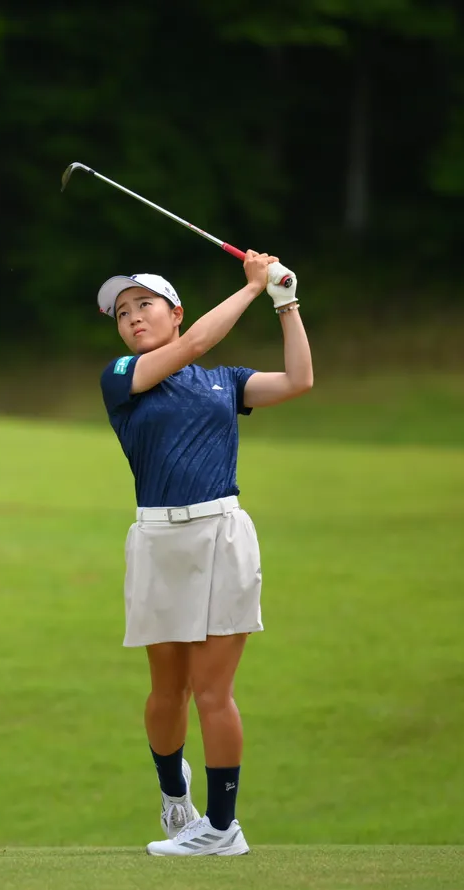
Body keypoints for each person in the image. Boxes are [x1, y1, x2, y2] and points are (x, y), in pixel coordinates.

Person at [96, 250, 313, 856]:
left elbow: (299, 380)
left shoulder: (227, 382)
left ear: (175, 311)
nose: (132, 318)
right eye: (122, 313)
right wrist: (251, 289)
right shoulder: (121, 375)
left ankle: (222, 828)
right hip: (157, 539)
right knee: (169, 691)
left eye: (144, 305)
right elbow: (193, 345)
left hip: (221, 533)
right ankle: (174, 794)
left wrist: (285, 301)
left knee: (213, 690)